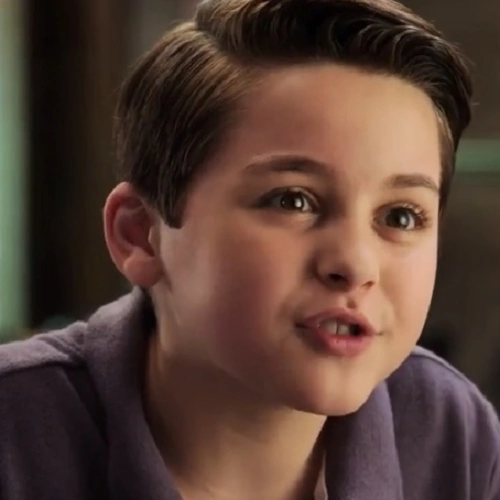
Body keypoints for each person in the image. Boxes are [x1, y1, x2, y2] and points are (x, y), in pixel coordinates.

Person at [1, 0, 499, 498]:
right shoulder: (15, 433)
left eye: (401, 216)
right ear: (140, 233)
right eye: (293, 201)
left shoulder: (450, 432)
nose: (354, 264)